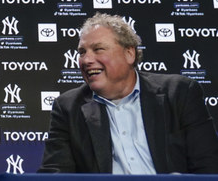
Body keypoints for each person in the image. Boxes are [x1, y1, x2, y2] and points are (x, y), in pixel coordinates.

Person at [39, 12, 218, 174]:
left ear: (129, 53)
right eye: (82, 52)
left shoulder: (179, 93)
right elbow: (56, 173)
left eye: (98, 49)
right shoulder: (68, 107)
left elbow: (208, 167)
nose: (86, 60)